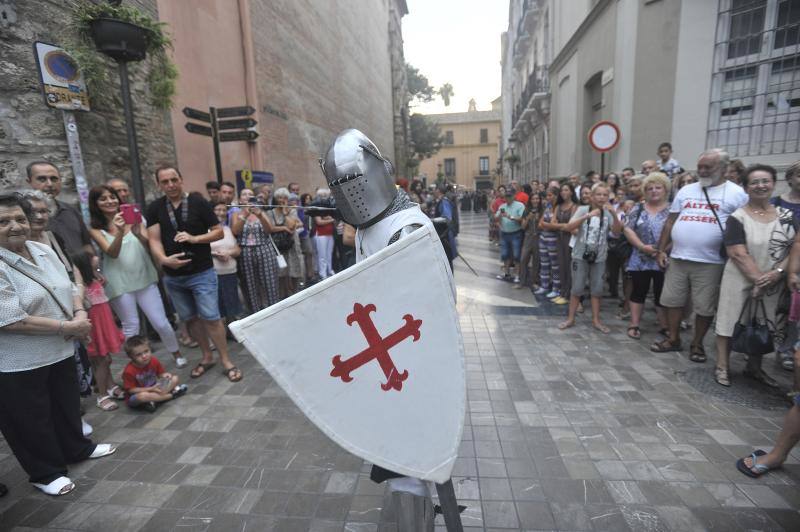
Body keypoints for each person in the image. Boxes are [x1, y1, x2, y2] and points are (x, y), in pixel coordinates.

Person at [320, 128, 442, 530]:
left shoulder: (406, 228)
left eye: (354, 183)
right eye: (341, 188)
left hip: (410, 359)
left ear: (378, 172)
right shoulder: (372, 226)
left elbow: (425, 311)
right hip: (389, 355)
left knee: (410, 460)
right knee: (400, 456)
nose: (352, 195)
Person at [0, 193, 116, 496]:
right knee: (29, 418)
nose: (15, 226)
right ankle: (45, 472)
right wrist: (68, 326)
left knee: (65, 404)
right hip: (18, 360)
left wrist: (78, 313)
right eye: (3, 221)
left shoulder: (41, 249)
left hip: (60, 348)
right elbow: (11, 320)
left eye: (19, 219)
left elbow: (68, 284)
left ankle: (76, 448)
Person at [146, 164, 242, 382]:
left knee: (211, 317)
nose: (170, 185)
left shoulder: (199, 202)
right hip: (173, 276)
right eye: (165, 181)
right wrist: (163, 260)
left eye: (173, 180)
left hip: (201, 272)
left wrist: (194, 238)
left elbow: (218, 232)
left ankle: (226, 360)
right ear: (158, 184)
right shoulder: (155, 208)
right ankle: (207, 356)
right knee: (190, 319)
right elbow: (153, 239)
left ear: (181, 179)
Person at [652, 149, 748, 358]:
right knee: (672, 301)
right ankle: (673, 338)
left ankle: (697, 344)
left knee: (704, 306)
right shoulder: (686, 191)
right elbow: (670, 221)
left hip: (711, 261)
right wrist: (661, 250)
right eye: (700, 166)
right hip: (678, 257)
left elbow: (744, 226)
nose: (702, 171)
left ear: (723, 168)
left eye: (708, 167)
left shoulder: (737, 194)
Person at [88, 185, 186, 369]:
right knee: (131, 326)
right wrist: (118, 231)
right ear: (96, 204)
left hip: (144, 277)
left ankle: (177, 354)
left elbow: (150, 244)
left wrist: (137, 233)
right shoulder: (95, 229)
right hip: (119, 283)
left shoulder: (135, 216)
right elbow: (112, 253)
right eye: (103, 199)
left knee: (161, 322)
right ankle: (135, 366)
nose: (110, 201)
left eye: (112, 197)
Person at [713, 165, 793, 387]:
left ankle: (755, 368)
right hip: (739, 278)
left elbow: (795, 248)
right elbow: (737, 252)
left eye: (765, 181)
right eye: (754, 182)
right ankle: (722, 366)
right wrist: (759, 279)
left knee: (763, 323)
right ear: (746, 188)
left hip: (773, 280)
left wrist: (776, 274)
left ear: (774, 183)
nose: (760, 186)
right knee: (729, 322)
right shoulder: (737, 217)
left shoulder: (786, 216)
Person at [558, 183, 623, 333]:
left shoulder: (608, 213)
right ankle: (570, 318)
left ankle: (596, 320)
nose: (601, 197)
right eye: (598, 194)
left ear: (608, 197)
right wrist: (587, 216)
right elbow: (568, 227)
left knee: (597, 290)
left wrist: (614, 214)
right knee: (577, 288)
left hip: (599, 257)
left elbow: (617, 233)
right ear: (592, 197)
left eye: (605, 195)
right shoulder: (582, 209)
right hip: (580, 255)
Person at [72, 251, 126, 410]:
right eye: (91, 257)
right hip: (95, 330)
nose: (96, 258)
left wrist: (97, 273)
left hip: (105, 326)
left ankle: (110, 385)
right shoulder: (81, 288)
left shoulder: (96, 279)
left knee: (106, 359)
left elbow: (103, 284)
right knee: (100, 362)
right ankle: (102, 395)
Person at [623, 173, 671, 339]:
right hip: (640, 257)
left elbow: (678, 232)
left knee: (662, 293)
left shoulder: (672, 210)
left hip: (664, 258)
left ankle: (665, 325)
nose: (654, 191)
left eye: (658, 187)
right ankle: (634, 324)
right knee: (638, 291)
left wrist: (662, 250)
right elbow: (628, 229)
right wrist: (642, 246)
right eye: (650, 188)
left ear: (665, 189)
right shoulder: (638, 208)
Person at [25, 161, 96, 262]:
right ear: (29, 182)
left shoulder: (71, 210)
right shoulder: (24, 216)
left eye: (54, 179)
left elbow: (87, 244)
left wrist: (93, 265)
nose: (49, 184)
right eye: (42, 179)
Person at [231, 188, 281, 311]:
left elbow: (269, 230)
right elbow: (235, 231)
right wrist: (245, 215)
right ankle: (255, 312)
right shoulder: (236, 215)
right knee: (250, 284)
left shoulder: (262, 212)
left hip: (264, 249)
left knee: (270, 282)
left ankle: (274, 310)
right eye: (244, 194)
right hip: (246, 252)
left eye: (250, 194)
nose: (247, 196)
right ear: (240, 199)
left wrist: (259, 214)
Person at [772, 161, 800, 370]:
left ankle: (786, 349)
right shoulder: (774, 203)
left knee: (791, 311)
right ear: (789, 178)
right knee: (772, 308)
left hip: (796, 267)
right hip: (772, 263)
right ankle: (758, 343)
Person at [121, 335, 187, 413]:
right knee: (142, 396)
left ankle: (155, 400)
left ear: (150, 349)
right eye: (139, 355)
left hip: (154, 389)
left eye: (146, 351)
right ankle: (172, 395)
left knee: (175, 378)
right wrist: (150, 389)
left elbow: (160, 374)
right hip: (139, 394)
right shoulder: (129, 371)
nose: (144, 356)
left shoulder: (153, 360)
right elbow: (131, 390)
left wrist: (165, 375)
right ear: (131, 356)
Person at [210, 201, 242, 328]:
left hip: (230, 273)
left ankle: (231, 331)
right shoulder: (205, 230)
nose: (221, 213)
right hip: (214, 274)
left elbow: (237, 250)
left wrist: (229, 252)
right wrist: (216, 254)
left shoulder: (228, 229)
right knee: (218, 306)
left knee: (231, 305)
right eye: (218, 209)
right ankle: (220, 333)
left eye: (224, 210)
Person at [270, 187, 303, 298]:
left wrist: (285, 212)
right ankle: (283, 295)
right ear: (276, 198)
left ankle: (295, 292)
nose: (282, 200)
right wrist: (283, 228)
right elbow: (270, 228)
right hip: (279, 245)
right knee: (281, 272)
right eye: (279, 197)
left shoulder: (291, 210)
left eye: (284, 197)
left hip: (292, 243)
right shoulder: (271, 212)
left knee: (294, 268)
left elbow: (292, 226)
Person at [553, 183, 578, 304]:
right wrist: (563, 225)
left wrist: (561, 226)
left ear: (571, 192)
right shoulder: (558, 206)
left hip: (570, 239)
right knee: (561, 265)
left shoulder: (574, 206)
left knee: (568, 266)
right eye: (562, 190)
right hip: (559, 238)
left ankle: (568, 294)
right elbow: (553, 223)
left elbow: (571, 226)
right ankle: (562, 292)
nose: (563, 192)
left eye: (566, 190)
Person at [535, 187, 561, 298]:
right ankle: (544, 285)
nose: (548, 198)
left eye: (550, 195)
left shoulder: (558, 208)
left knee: (554, 265)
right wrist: (547, 225)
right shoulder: (547, 207)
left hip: (553, 239)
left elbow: (553, 225)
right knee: (544, 263)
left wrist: (547, 225)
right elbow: (540, 224)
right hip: (543, 238)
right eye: (547, 196)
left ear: (556, 195)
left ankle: (556, 288)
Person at [495, 190, 525, 282]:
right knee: (505, 254)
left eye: (509, 196)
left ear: (513, 196)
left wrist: (510, 216)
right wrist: (499, 216)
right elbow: (496, 218)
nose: (507, 199)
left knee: (516, 255)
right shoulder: (502, 206)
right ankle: (506, 273)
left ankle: (517, 275)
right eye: (506, 197)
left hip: (516, 233)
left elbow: (522, 218)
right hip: (504, 233)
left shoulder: (520, 205)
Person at [517, 192, 542, 290]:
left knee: (537, 260)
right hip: (528, 237)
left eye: (537, 199)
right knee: (523, 259)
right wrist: (528, 218)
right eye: (533, 199)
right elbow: (523, 227)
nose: (535, 201)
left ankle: (534, 281)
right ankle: (522, 281)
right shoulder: (526, 210)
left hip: (539, 237)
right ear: (530, 200)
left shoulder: (542, 210)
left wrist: (538, 219)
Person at [313, 188, 336, 279]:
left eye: (325, 195)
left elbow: (331, 216)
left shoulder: (328, 206)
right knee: (322, 255)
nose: (324, 197)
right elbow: (319, 222)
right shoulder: (316, 206)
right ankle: (323, 274)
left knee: (329, 254)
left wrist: (328, 218)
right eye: (322, 196)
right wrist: (331, 219)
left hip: (329, 233)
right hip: (321, 234)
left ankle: (329, 270)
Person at [434, 184, 457, 270]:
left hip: (445, 236)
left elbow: (447, 218)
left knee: (447, 260)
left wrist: (432, 220)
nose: (434, 191)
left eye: (435, 189)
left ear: (438, 191)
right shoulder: (441, 201)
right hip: (443, 234)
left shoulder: (444, 202)